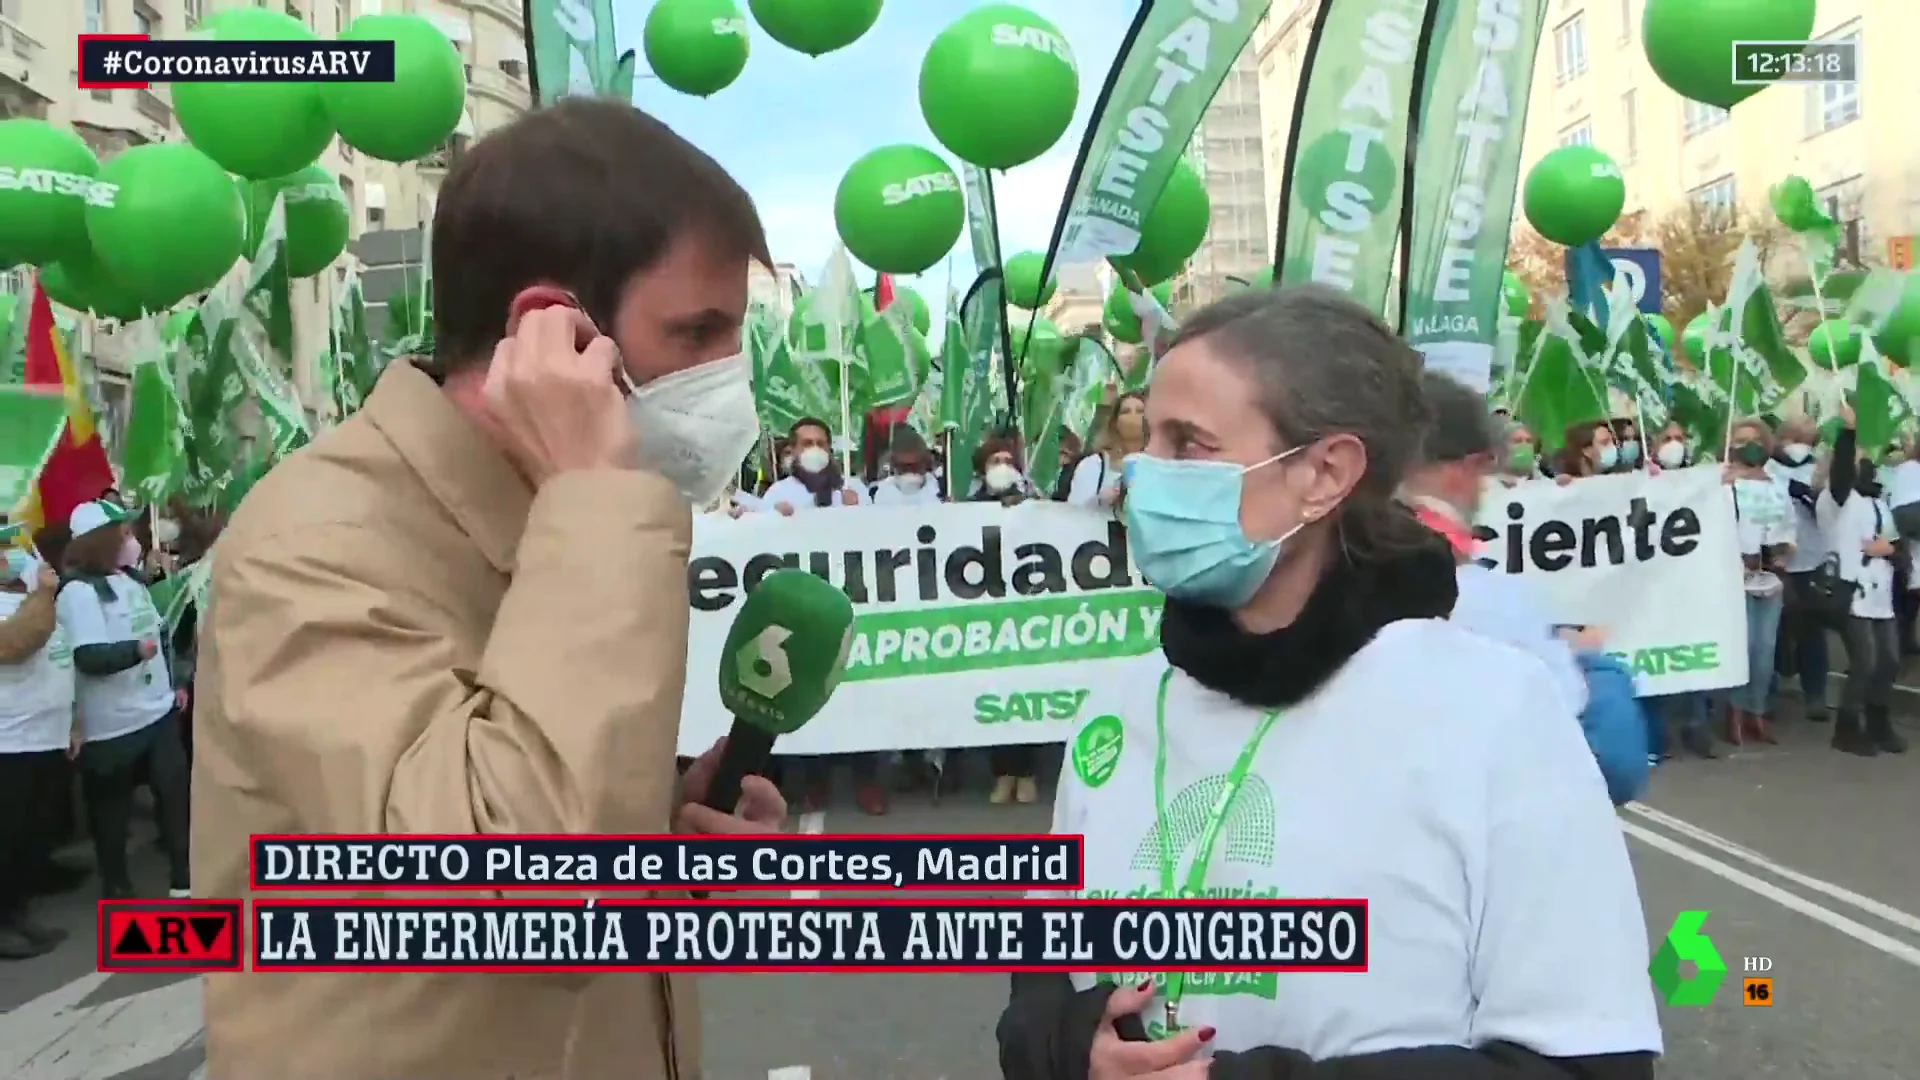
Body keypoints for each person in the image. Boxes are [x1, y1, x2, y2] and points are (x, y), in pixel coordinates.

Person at [191, 99, 786, 1078]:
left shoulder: (554, 514)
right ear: (552, 332)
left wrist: (659, 838)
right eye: (696, 332)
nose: (729, 381)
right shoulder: (319, 545)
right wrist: (597, 500)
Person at [999, 287, 1658, 1080]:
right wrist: (1071, 1046)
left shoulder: (1490, 711)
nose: (1144, 473)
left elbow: (1587, 1065)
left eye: (1189, 445)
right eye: (1148, 436)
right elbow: (1043, 965)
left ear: (1325, 473)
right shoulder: (1123, 699)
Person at [1402, 372, 1646, 805]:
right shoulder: (1495, 601)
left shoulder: (1301, 577)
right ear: (1470, 467)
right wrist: (1591, 664)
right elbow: (1610, 765)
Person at [56, 500, 190, 900]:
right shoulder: (78, 594)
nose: (133, 541)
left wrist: (175, 682)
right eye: (126, 534)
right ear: (102, 541)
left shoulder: (131, 582)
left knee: (174, 794)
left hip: (157, 714)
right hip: (111, 727)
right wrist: (136, 651)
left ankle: (184, 878)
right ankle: (117, 888)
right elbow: (89, 656)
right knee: (111, 813)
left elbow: (159, 634)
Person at [1819, 409, 1907, 756]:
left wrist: (1890, 551)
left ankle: (1879, 721)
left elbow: (1896, 547)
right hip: (1851, 592)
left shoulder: (1879, 505)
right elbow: (1841, 472)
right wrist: (1849, 432)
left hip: (1881, 596)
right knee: (1864, 661)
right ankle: (1847, 726)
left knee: (1888, 660)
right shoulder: (1837, 500)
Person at [0, 547, 73, 959]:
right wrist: (43, 593)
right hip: (8, 742)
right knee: (5, 840)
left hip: (43, 736)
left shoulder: (29, 598)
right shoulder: (36, 600)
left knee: (30, 837)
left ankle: (17, 913)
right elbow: (16, 644)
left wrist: (73, 719)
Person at [1726, 420, 1793, 746]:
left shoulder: (1776, 483)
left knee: (1765, 650)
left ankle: (1757, 711)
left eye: (1754, 440)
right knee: (1744, 647)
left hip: (1771, 577)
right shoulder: (1724, 483)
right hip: (1734, 577)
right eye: (1741, 440)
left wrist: (1786, 551)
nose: (1749, 445)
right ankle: (1735, 713)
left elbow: (1789, 524)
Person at [1767, 416, 1832, 723]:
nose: (1799, 445)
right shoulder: (1767, 469)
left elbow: (1836, 508)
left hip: (1812, 560)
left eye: (1807, 439)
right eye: (1795, 437)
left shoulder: (1819, 468)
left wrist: (1815, 496)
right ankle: (1769, 691)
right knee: (1773, 630)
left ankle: (1815, 694)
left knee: (1811, 630)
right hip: (1775, 562)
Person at [758, 417, 869, 512]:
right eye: (807, 444)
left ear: (829, 449)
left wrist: (856, 510)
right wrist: (776, 516)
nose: (815, 449)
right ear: (793, 450)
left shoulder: (854, 487)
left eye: (820, 443)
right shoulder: (779, 492)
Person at [1066, 390, 1147, 508]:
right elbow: (1073, 513)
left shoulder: (1161, 465)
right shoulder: (1094, 465)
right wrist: (1098, 501)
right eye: (1125, 412)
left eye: (1140, 411)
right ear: (1115, 423)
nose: (1133, 416)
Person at [871, 429, 942, 505]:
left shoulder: (940, 489)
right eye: (904, 468)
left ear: (926, 463)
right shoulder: (879, 493)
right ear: (893, 465)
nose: (910, 473)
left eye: (915, 467)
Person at [973, 435, 1033, 506]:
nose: (1003, 466)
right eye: (996, 462)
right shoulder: (971, 504)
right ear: (982, 472)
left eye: (1008, 462)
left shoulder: (1028, 500)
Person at [1553, 419, 1618, 484]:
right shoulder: (1569, 483)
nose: (1613, 446)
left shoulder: (1615, 473)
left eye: (1613, 441)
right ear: (1586, 450)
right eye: (1605, 443)